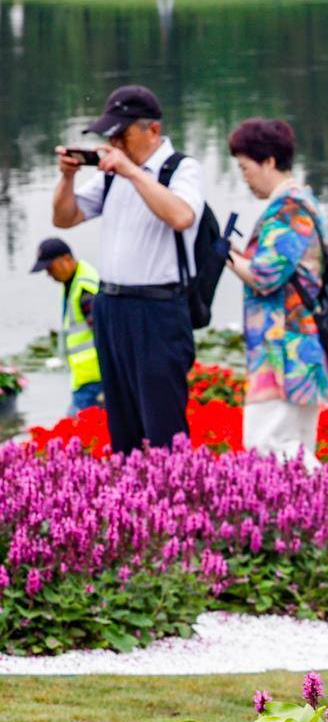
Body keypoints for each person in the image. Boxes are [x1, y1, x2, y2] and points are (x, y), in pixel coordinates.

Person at [50, 84, 204, 454]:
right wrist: (67, 177)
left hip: (158, 309)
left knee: (163, 423)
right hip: (111, 308)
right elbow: (64, 218)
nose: (115, 143)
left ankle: (175, 497)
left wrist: (133, 173)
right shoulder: (111, 174)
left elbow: (182, 216)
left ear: (152, 130)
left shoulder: (180, 169)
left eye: (123, 133)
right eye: (111, 135)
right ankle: (133, 501)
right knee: (123, 426)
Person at [223, 118, 328, 465]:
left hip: (283, 349)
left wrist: (223, 254)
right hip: (299, 347)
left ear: (269, 161)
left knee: (270, 448)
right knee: (294, 449)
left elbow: (265, 276)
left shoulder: (289, 208)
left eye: (245, 167)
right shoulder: (302, 202)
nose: (244, 176)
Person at [31, 237, 102, 415]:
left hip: (95, 380)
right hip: (87, 378)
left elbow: (106, 334)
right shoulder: (75, 281)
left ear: (66, 259)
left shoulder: (85, 289)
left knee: (75, 430)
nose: (48, 274)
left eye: (50, 267)